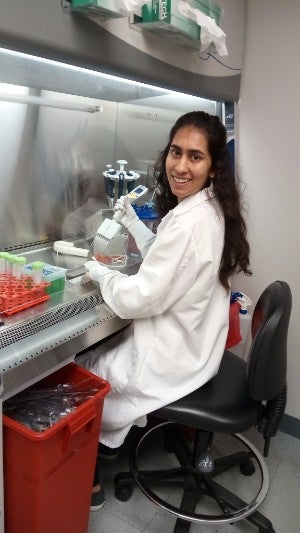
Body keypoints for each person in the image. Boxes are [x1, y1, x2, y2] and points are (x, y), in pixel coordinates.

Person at [80, 111, 251, 510]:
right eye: (176, 152)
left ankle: (88, 472)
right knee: (106, 351)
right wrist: (132, 223)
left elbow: (139, 298)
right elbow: (170, 257)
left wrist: (99, 273)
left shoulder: (191, 220)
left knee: (87, 372)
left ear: (213, 167)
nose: (180, 165)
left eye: (195, 156)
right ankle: (104, 447)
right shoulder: (204, 208)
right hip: (198, 349)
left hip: (174, 357)